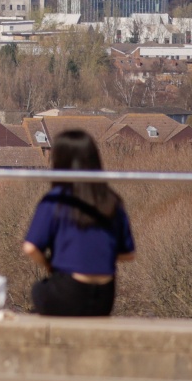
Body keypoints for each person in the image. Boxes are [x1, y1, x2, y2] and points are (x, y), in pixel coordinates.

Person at [22, 129, 134, 318]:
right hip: (105, 297)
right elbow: (129, 254)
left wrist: (49, 265)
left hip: (69, 291)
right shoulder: (112, 201)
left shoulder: (56, 200)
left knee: (38, 289)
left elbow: (30, 247)